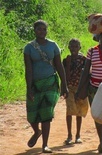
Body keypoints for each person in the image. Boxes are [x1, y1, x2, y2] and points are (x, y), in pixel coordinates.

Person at [23, 20, 68, 153]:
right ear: (34, 31)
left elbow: (59, 66)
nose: (41, 31)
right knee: (31, 115)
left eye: (44, 29)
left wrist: (64, 85)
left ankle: (45, 145)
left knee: (46, 114)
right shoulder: (29, 47)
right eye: (39, 29)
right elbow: (28, 69)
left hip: (50, 83)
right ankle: (37, 132)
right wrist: (29, 88)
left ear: (47, 31)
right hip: (35, 84)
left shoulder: (53, 45)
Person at [75, 31, 102, 153]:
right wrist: (79, 89)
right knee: (97, 115)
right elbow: (86, 71)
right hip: (93, 88)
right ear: (98, 38)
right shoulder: (92, 51)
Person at [62, 38, 89, 145]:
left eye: (76, 46)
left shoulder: (84, 60)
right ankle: (69, 135)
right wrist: (68, 64)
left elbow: (86, 75)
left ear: (79, 48)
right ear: (68, 48)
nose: (73, 49)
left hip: (80, 88)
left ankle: (78, 135)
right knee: (69, 111)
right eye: (72, 46)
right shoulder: (66, 60)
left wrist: (84, 90)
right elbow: (66, 77)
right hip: (70, 88)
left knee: (79, 111)